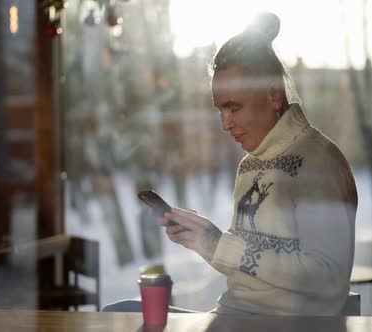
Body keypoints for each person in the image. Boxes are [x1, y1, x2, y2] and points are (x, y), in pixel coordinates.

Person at [103, 12, 357, 316]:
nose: (225, 123)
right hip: (232, 319)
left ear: (274, 96)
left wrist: (219, 244)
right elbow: (249, 266)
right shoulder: (250, 166)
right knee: (118, 313)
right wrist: (202, 240)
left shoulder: (318, 163)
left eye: (233, 107)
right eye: (219, 109)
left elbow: (327, 279)